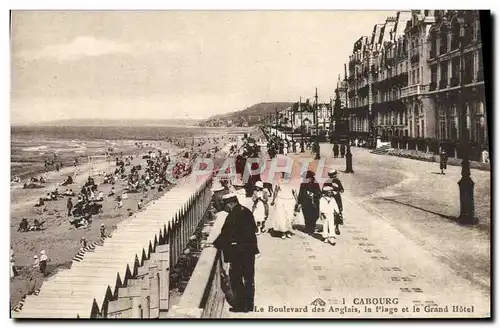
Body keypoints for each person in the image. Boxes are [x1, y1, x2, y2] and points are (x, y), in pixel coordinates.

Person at [213, 194, 259, 313]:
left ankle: (240, 305)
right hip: (250, 250)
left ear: (230, 204)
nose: (226, 209)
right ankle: (249, 304)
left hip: (239, 253)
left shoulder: (233, 215)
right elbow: (254, 228)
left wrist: (215, 244)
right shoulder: (247, 211)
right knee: (249, 278)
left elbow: (225, 234)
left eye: (226, 206)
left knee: (236, 278)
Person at [294, 171, 321, 235]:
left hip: (314, 203)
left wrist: (314, 194)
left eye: (306, 178)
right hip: (305, 203)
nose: (304, 179)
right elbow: (300, 194)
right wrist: (298, 203)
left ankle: (312, 227)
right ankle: (308, 228)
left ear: (310, 178)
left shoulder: (315, 184)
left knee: (315, 216)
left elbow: (319, 193)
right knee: (306, 216)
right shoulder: (303, 184)